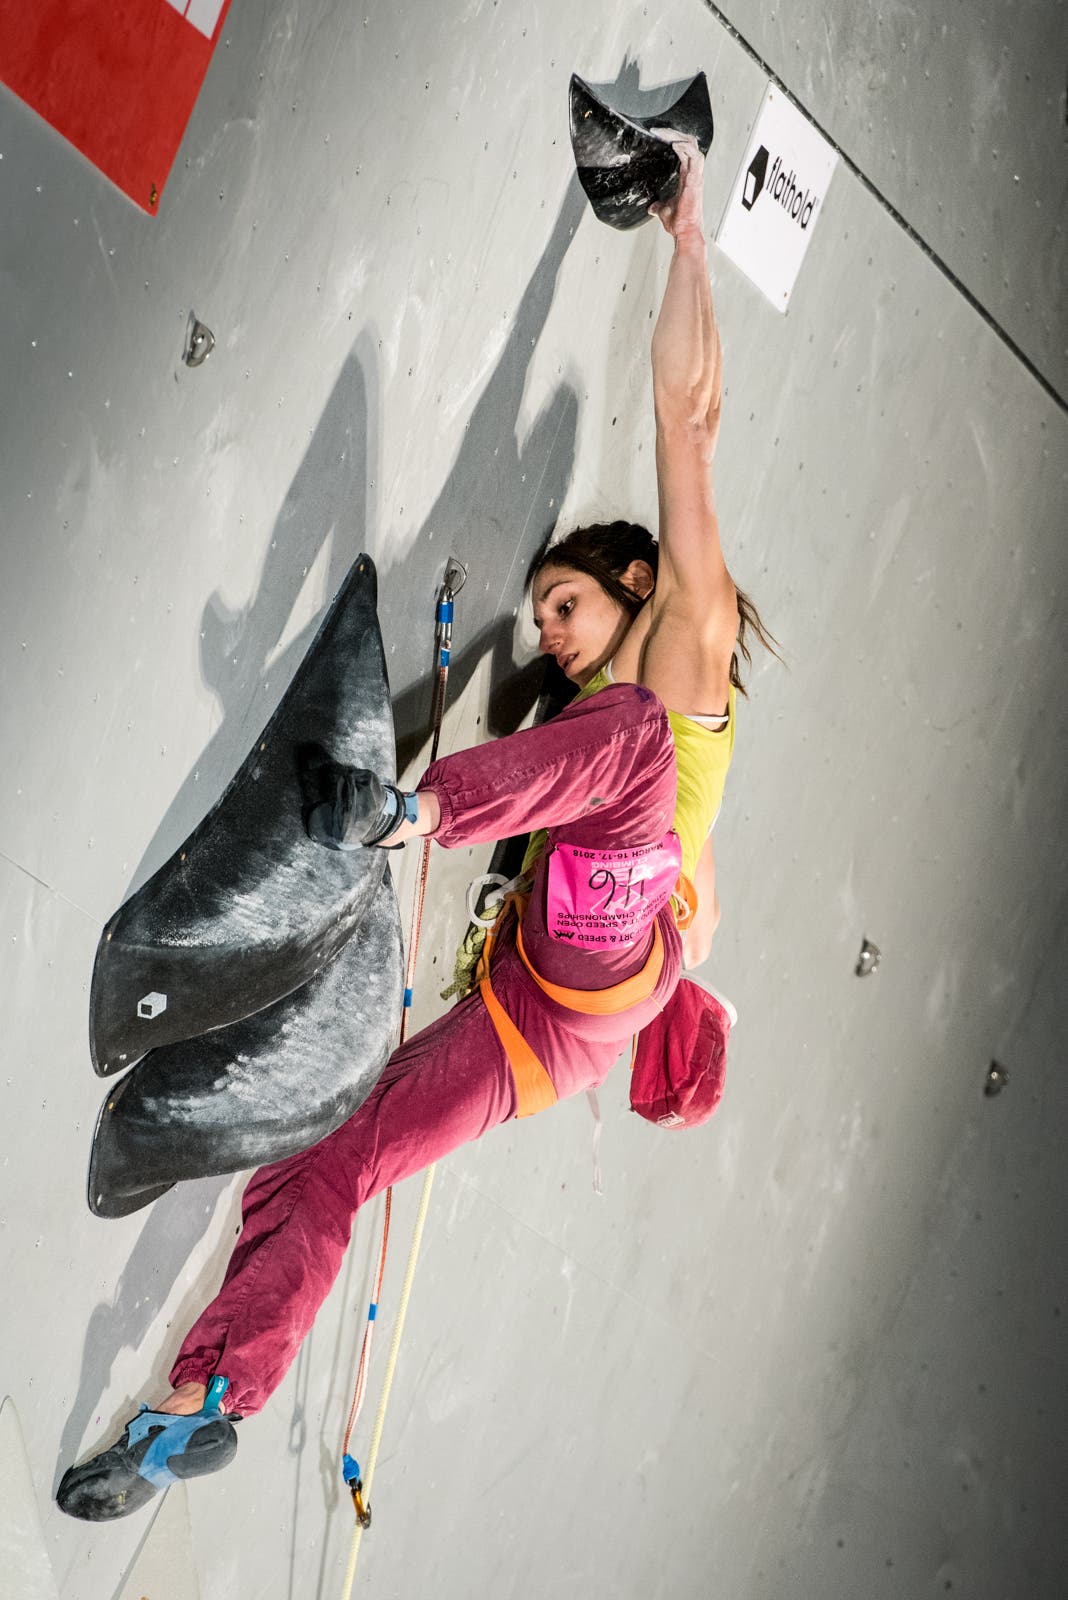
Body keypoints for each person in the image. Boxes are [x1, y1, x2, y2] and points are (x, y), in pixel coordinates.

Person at [58, 137, 776, 1522]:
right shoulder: (609, 717)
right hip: (545, 1020)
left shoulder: (678, 661)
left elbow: (689, 415)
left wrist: (684, 229)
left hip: (604, 958)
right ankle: (211, 1392)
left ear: (639, 577)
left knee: (620, 745)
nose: (552, 640)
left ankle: (408, 811)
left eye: (565, 608)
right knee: (335, 1150)